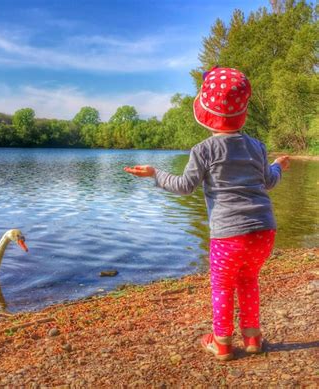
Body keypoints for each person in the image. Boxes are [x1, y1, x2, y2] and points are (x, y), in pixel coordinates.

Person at [124, 67, 290, 361]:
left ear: (205, 113)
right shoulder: (257, 147)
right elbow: (268, 181)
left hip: (229, 235)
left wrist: (155, 174)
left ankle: (223, 343)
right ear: (243, 113)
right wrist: (278, 166)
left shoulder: (204, 150)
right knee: (249, 279)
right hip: (264, 231)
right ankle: (253, 338)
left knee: (223, 285)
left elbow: (184, 186)